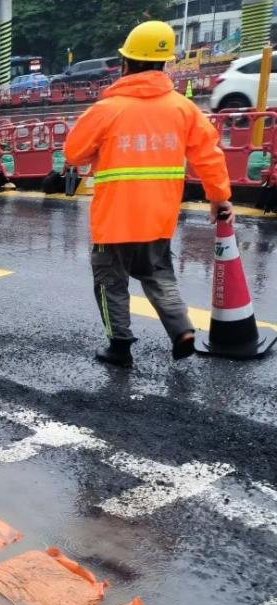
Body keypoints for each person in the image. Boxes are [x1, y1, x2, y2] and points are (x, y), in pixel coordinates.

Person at [64, 20, 232, 368]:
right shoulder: (183, 109)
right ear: (163, 65)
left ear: (125, 64)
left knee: (111, 283)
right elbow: (209, 154)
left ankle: (120, 347)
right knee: (158, 276)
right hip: (158, 216)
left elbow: (73, 154)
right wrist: (219, 197)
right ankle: (182, 329)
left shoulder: (107, 110)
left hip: (114, 221)